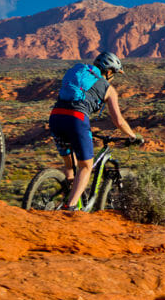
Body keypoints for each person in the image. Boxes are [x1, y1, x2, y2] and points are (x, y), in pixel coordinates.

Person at [49, 51, 144, 210]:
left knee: (70, 166)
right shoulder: (109, 89)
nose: (113, 76)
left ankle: (65, 195)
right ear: (108, 71)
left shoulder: (79, 71)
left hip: (56, 117)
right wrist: (132, 136)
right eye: (113, 73)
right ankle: (70, 208)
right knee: (86, 166)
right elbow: (118, 121)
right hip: (76, 119)